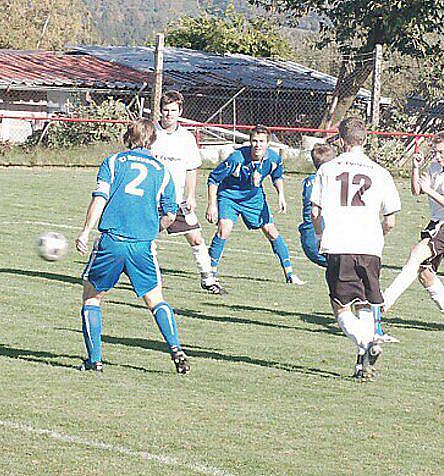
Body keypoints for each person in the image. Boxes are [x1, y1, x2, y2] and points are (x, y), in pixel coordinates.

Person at [75, 119, 190, 374]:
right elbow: (170, 215)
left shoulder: (114, 162)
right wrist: (150, 228)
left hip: (112, 242)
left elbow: (100, 198)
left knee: (92, 298)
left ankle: (95, 361)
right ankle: (176, 350)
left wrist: (85, 231)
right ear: (152, 141)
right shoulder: (162, 171)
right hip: (142, 246)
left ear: (128, 137)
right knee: (156, 299)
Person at [310, 117, 401, 380]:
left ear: (340, 139)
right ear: (365, 138)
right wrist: (378, 236)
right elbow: (391, 221)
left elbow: (315, 210)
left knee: (339, 306)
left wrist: (319, 235)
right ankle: (362, 364)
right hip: (370, 247)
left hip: (340, 244)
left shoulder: (328, 169)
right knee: (363, 304)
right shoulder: (380, 172)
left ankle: (367, 342)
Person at [382, 130, 444, 334]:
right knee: (425, 273)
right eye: (435, 152)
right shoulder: (434, 167)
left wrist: (430, 190)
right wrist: (415, 168)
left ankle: (385, 302)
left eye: (441, 152)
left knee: (416, 253)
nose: (437, 156)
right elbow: (417, 191)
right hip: (437, 224)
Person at [205, 126, 304, 285]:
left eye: (261, 141)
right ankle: (210, 272)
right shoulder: (236, 159)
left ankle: (290, 274)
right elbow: (214, 179)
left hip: (253, 197)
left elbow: (277, 176)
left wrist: (281, 195)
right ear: (250, 142)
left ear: (268, 143)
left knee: (271, 231)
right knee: (224, 229)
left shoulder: (273, 159)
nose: (257, 145)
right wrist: (212, 205)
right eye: (254, 141)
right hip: (230, 195)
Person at [151, 90, 226, 295]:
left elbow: (192, 168)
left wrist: (191, 195)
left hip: (176, 199)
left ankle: (208, 278)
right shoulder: (151, 133)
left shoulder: (186, 138)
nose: (169, 114)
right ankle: (148, 279)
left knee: (196, 238)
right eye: (166, 110)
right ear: (160, 111)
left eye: (173, 110)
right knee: (145, 238)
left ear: (180, 111)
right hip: (150, 199)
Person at [299, 144, 335, 268]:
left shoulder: (309, 181)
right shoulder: (327, 181)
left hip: (308, 235)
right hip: (319, 233)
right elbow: (315, 213)